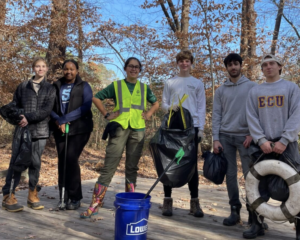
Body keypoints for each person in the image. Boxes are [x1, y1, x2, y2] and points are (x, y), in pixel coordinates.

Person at [80, 57, 159, 218]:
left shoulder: (144, 88)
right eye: (131, 66)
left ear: (139, 70)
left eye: (137, 67)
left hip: (138, 129)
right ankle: (96, 202)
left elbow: (156, 103)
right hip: (119, 128)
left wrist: (149, 114)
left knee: (132, 167)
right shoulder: (116, 85)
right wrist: (107, 114)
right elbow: (96, 98)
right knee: (110, 165)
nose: (134, 69)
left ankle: (130, 201)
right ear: (126, 68)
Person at [246, 54, 300, 239]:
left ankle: (299, 225)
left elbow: (296, 115)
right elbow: (251, 117)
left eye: (272, 64)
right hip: (263, 146)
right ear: (262, 69)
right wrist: (261, 140)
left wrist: (284, 141)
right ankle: (256, 224)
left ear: (279, 66)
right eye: (265, 65)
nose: (268, 67)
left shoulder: (291, 88)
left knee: (296, 184)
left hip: (288, 145)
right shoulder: (255, 91)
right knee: (255, 185)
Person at [2, 57, 56, 212]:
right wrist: (19, 118)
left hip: (40, 131)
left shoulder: (50, 89)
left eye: (43, 66)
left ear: (46, 69)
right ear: (33, 68)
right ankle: (8, 196)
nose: (40, 69)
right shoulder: (23, 86)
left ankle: (32, 195)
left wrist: (28, 118)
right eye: (37, 66)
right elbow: (15, 105)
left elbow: (47, 110)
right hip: (22, 131)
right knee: (17, 163)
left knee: (35, 164)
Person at [212, 53, 256, 226]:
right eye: (230, 65)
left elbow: (257, 113)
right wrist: (216, 138)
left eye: (236, 64)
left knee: (250, 176)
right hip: (225, 137)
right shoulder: (220, 90)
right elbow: (216, 115)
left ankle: (254, 214)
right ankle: (234, 211)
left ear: (240, 65)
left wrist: (253, 134)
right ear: (227, 68)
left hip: (246, 137)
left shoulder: (252, 87)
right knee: (230, 175)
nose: (233, 67)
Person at [161, 50, 206, 217]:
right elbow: (163, 103)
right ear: (177, 63)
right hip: (173, 127)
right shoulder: (170, 82)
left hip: (191, 128)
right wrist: (168, 108)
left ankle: (194, 202)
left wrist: (200, 128)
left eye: (187, 61)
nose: (184, 64)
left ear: (191, 63)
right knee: (170, 162)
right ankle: (167, 201)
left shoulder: (197, 83)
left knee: (191, 165)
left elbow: (201, 107)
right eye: (181, 61)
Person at [51, 59, 93, 210]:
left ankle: (75, 197)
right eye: (66, 69)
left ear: (77, 71)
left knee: (70, 158)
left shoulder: (84, 86)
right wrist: (58, 121)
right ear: (62, 70)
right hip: (60, 128)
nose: (69, 72)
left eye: (72, 69)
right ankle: (64, 196)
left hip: (80, 128)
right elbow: (49, 106)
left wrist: (65, 119)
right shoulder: (55, 86)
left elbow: (86, 107)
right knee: (63, 160)